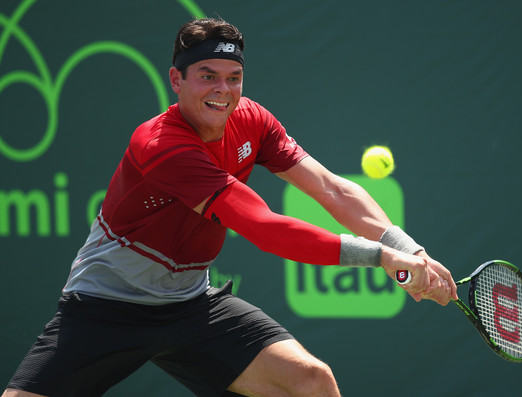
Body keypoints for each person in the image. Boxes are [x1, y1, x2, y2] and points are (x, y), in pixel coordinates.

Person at [3, 18, 457, 397]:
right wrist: (379, 257)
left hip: (190, 304)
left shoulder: (252, 121)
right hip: (107, 304)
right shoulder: (161, 144)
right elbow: (262, 225)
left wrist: (406, 248)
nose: (223, 90)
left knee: (311, 382)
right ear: (176, 79)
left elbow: (331, 190)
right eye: (207, 75)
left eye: (233, 77)